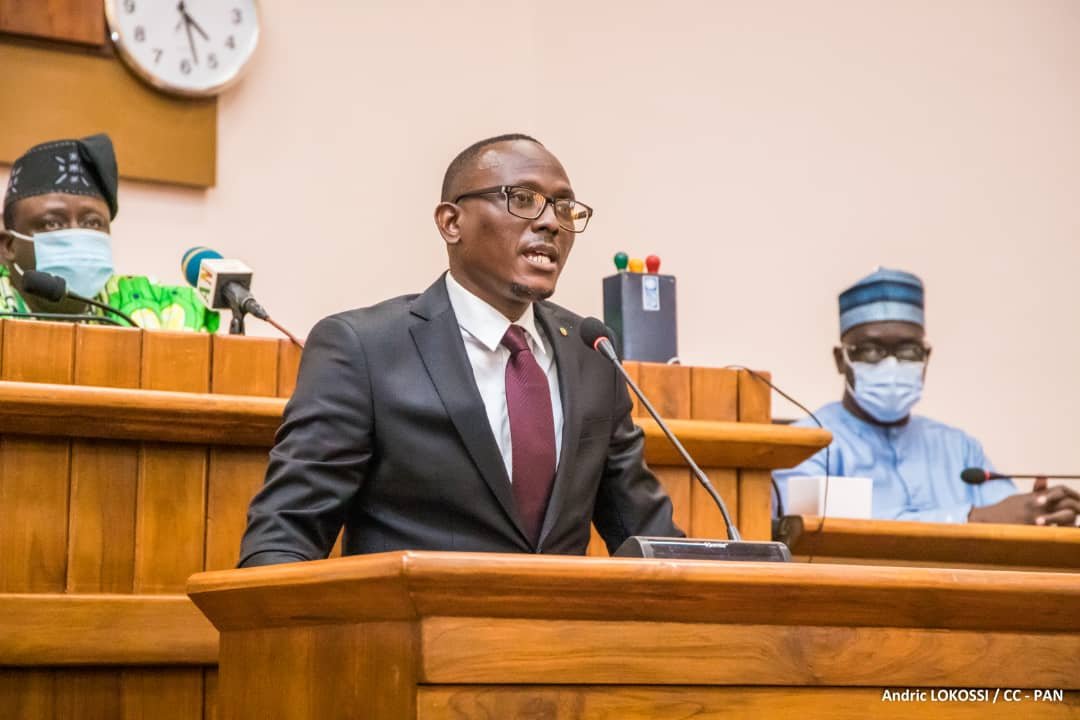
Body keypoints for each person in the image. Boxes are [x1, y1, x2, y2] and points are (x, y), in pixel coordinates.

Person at [239, 134, 682, 567]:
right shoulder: (364, 349)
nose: (551, 223)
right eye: (523, 198)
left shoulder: (591, 352)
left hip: (559, 636)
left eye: (564, 208)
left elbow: (648, 536)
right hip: (416, 636)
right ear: (452, 222)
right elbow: (285, 535)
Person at [774, 268, 1079, 525]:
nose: (891, 364)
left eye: (908, 350)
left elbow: (1009, 518)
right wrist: (973, 518)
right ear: (841, 359)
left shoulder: (960, 449)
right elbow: (813, 529)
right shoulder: (805, 446)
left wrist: (1042, 512)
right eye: (871, 350)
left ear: (926, 357)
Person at [1, 133, 218, 332]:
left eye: (93, 223)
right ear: (8, 245)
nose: (78, 235)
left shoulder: (163, 312)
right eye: (53, 224)